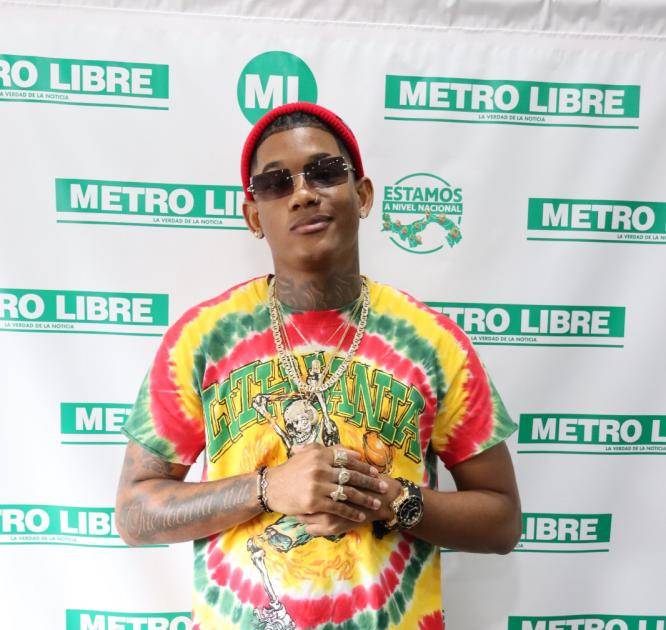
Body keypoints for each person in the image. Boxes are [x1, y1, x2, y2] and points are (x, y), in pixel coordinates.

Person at [115, 101, 522, 630]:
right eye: (276, 183)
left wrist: (388, 499)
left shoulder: (432, 342)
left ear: (363, 194)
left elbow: (502, 521)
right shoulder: (202, 340)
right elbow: (134, 513)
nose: (304, 193)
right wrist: (266, 488)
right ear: (254, 216)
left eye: (325, 172)